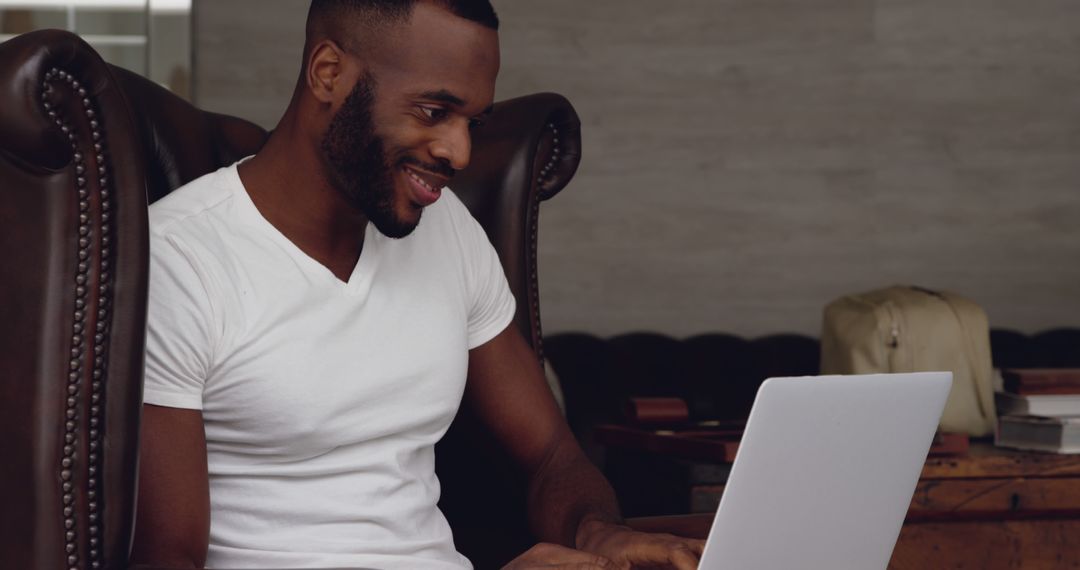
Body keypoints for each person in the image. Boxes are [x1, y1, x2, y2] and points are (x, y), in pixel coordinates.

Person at [131, 1, 703, 568]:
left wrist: (597, 534)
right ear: (328, 73)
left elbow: (553, 455)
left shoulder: (446, 228)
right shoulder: (180, 261)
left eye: (472, 123)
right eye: (434, 112)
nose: (459, 152)